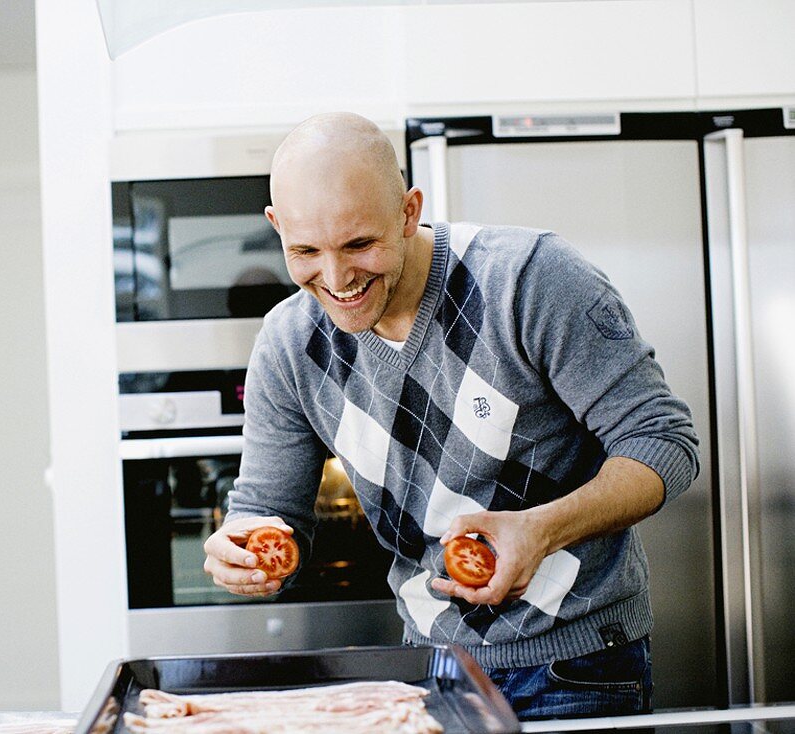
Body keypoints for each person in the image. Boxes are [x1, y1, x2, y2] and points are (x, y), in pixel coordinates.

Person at [202, 112, 699, 719]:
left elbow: (663, 441)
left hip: (580, 664)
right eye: (305, 250)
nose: (336, 279)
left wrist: (542, 529)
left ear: (408, 211)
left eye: (360, 244)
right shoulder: (287, 346)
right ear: (277, 227)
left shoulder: (528, 279)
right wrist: (245, 549)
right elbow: (267, 508)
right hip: (430, 668)